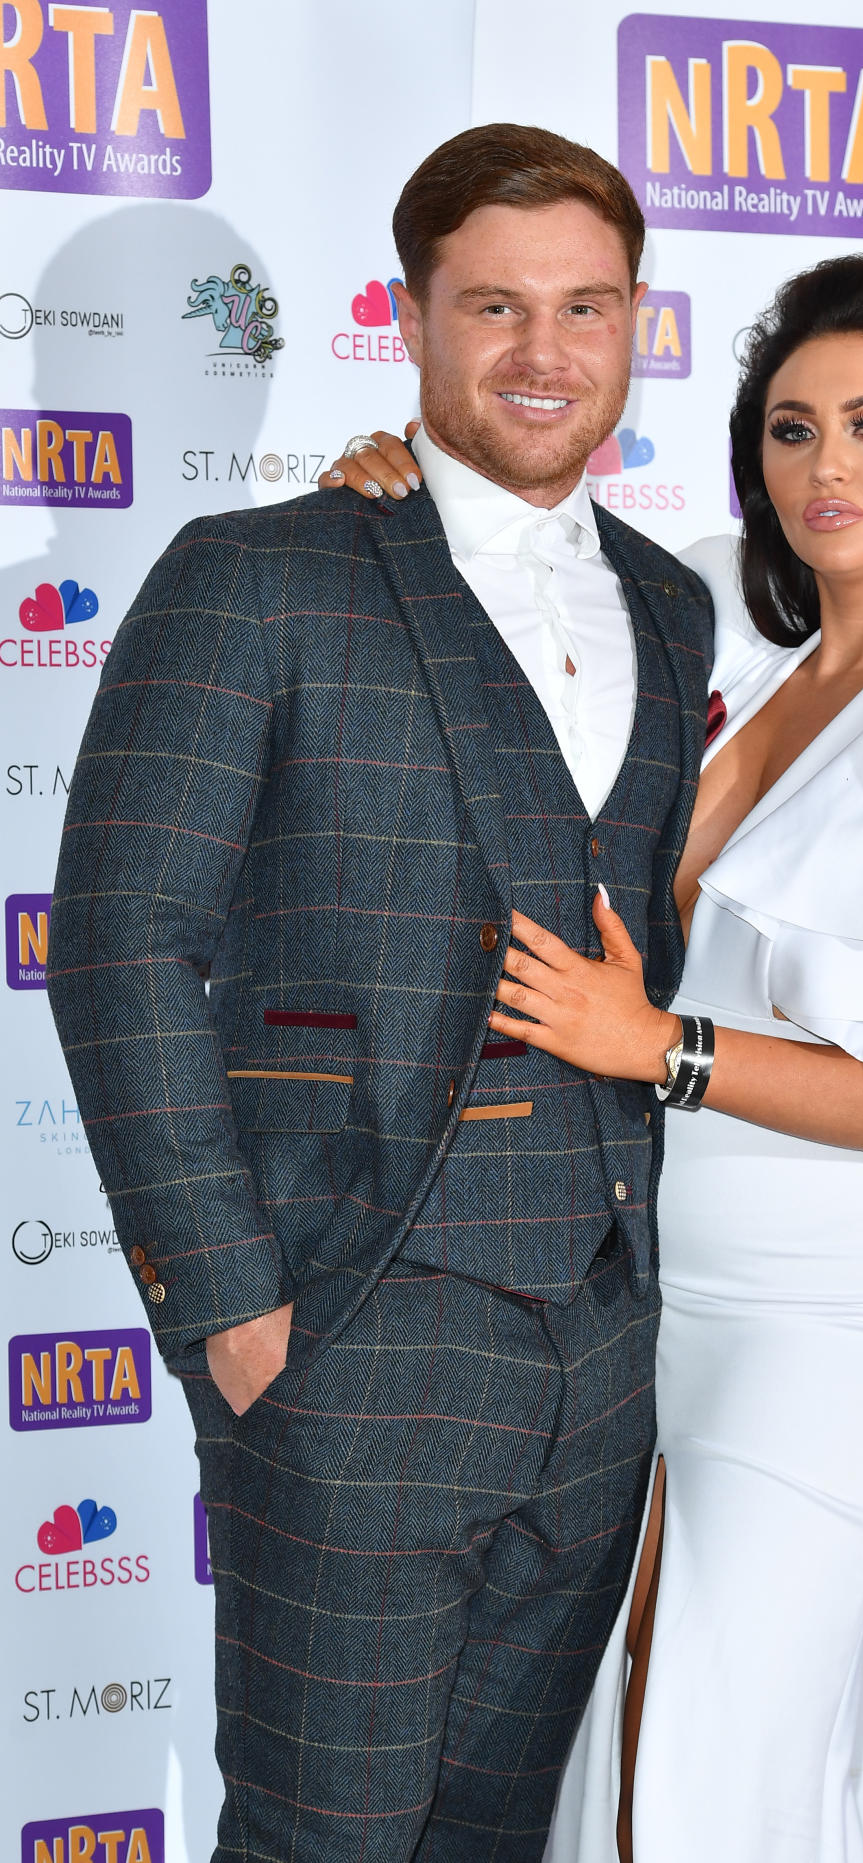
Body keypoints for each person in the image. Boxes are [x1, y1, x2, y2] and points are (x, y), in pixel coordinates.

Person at [323, 248, 863, 1861]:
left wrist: (659, 1048)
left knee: (706, 1769)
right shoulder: (735, 678)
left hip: (822, 1318)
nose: (825, 467)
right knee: (637, 1754)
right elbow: (498, 603)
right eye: (790, 430)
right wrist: (393, 491)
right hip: (638, 1300)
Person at [46, 124, 711, 1863]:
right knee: (318, 1839)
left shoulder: (673, 602)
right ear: (410, 318)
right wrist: (233, 1308)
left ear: (639, 318)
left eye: (585, 307)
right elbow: (118, 939)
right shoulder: (259, 573)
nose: (544, 355)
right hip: (343, 1328)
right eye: (493, 306)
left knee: (494, 1837)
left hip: (600, 1346)